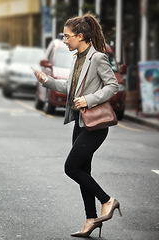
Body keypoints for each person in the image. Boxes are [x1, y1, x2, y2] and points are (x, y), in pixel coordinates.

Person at [35, 13, 122, 237]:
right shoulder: (76, 58)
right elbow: (69, 88)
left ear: (80, 36)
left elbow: (113, 86)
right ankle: (91, 220)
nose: (64, 40)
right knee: (84, 170)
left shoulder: (97, 58)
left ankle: (108, 201)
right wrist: (47, 81)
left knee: (71, 168)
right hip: (80, 123)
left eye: (67, 36)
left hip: (95, 126)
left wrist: (89, 99)